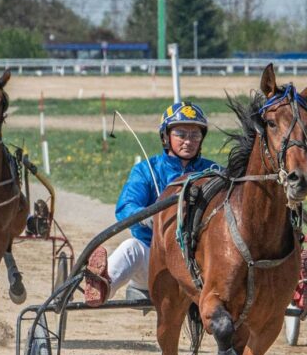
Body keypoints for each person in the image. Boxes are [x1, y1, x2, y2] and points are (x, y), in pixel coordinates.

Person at [82, 101, 221, 307]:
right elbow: (126, 207)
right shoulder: (147, 170)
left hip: (202, 265)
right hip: (155, 262)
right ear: (166, 136)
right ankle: (102, 286)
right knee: (131, 248)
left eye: (195, 135)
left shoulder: (214, 172)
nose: (188, 141)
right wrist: (148, 217)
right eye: (181, 134)